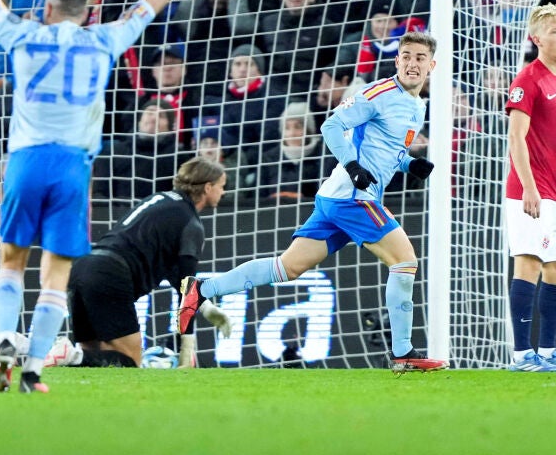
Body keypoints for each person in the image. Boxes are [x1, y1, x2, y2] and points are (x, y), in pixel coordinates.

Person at [0, 0, 194, 394]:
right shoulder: (105, 38)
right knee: (56, 274)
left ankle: (4, 340)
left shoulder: (23, 33)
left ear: (47, 9)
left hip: (26, 160)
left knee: (11, 262)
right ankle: (33, 370)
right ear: (87, 13)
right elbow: (148, 6)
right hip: (73, 166)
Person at [176, 33, 447, 375]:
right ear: (397, 60)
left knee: (287, 268)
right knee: (404, 261)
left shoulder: (417, 105)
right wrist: (353, 166)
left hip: (338, 197)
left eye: (420, 58)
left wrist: (409, 164)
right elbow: (331, 125)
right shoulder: (378, 93)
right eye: (406, 55)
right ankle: (403, 353)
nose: (412, 63)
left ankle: (201, 289)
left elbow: (386, 149)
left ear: (431, 65)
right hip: (352, 196)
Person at [66, 159, 228, 368]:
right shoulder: (191, 223)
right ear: (208, 187)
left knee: (95, 355)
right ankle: (70, 354)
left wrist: (205, 306)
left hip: (83, 267)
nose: (223, 192)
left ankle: (70, 355)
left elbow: (176, 276)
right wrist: (187, 344)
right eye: (221, 186)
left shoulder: (159, 200)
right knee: (131, 360)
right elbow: (187, 289)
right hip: (110, 274)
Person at [503, 3, 556, 373]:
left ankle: (548, 352)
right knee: (529, 262)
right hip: (531, 190)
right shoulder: (528, 79)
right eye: (555, 31)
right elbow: (516, 138)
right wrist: (529, 187)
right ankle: (522, 356)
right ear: (536, 39)